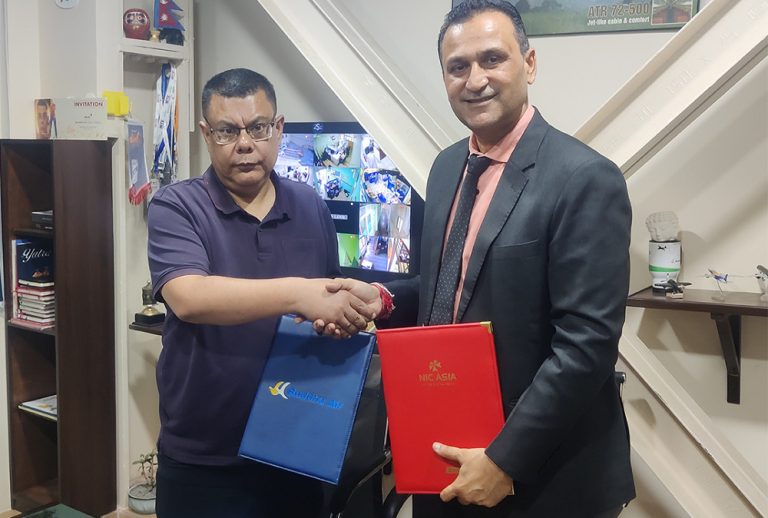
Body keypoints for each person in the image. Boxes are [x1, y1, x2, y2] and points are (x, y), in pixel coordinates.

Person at [323, 1, 635, 516]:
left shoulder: (585, 179)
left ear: (529, 64)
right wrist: (380, 299)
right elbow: (451, 286)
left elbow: (587, 346)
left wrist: (504, 460)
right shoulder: (447, 167)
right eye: (458, 66)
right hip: (447, 454)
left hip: (543, 476)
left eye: (493, 59)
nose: (475, 80)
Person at [147, 68, 379, 518]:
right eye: (227, 131)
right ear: (206, 134)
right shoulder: (177, 206)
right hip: (204, 457)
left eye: (258, 128)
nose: (245, 144)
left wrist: (346, 314)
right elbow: (189, 298)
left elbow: (325, 303)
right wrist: (297, 293)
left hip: (297, 445)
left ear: (278, 128)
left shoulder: (310, 205)